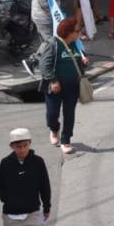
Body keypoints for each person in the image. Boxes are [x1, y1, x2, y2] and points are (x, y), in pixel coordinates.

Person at [40, 18, 90, 154]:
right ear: (68, 32)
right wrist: (53, 80)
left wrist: (84, 62)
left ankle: (66, 140)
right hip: (54, 88)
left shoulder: (77, 45)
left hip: (72, 87)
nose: (80, 33)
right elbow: (44, 65)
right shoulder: (53, 44)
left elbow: (79, 61)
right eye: (77, 31)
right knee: (52, 114)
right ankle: (54, 129)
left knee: (69, 114)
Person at [0, 128, 51, 226]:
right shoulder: (6, 163)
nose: (22, 149)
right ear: (12, 146)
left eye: (25, 145)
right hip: (11, 216)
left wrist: (47, 207)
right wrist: (7, 199)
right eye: (18, 146)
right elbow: (0, 184)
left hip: (31, 214)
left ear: (30, 143)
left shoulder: (38, 162)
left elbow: (44, 185)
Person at [29, 0, 65, 74]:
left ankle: (44, 65)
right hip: (44, 16)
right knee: (51, 43)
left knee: (47, 42)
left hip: (39, 14)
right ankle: (34, 62)